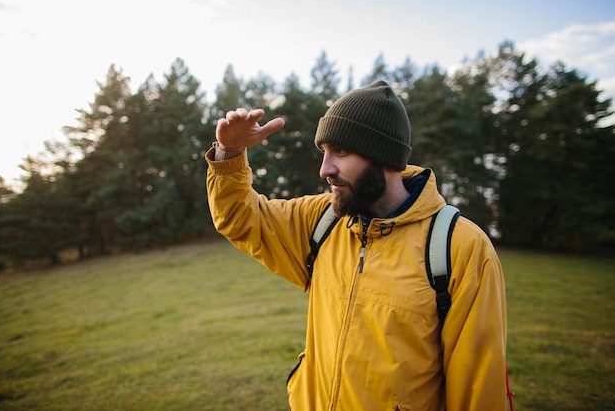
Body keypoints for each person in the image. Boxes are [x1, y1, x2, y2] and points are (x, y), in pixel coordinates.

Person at [205, 80, 508, 410]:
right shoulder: (322, 220)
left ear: (384, 157)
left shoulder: (460, 248)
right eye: (324, 152)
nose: (325, 169)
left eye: (341, 152)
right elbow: (239, 219)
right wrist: (229, 154)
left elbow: (479, 388)